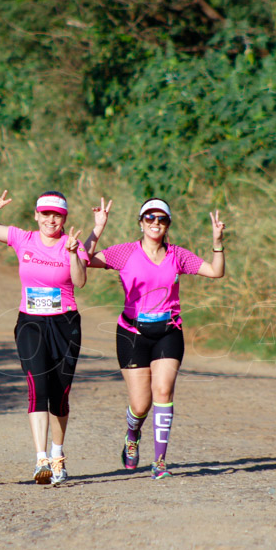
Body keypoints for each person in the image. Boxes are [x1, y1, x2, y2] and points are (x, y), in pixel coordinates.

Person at [0, 190, 108, 485]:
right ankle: (41, 459)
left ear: (64, 219)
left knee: (60, 395)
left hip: (65, 323)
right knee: (38, 386)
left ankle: (58, 455)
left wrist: (74, 253)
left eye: (56, 215)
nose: (50, 219)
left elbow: (80, 281)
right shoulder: (24, 238)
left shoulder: (70, 244)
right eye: (45, 213)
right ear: (36, 215)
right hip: (31, 324)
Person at [88, 198, 225, 479]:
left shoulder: (178, 255)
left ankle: (160, 461)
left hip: (168, 331)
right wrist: (98, 229)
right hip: (132, 333)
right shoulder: (124, 253)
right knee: (140, 404)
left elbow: (215, 271)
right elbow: (84, 260)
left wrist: (217, 241)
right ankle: (132, 433)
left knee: (163, 391)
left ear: (168, 224)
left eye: (161, 219)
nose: (155, 223)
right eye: (149, 218)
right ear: (140, 222)